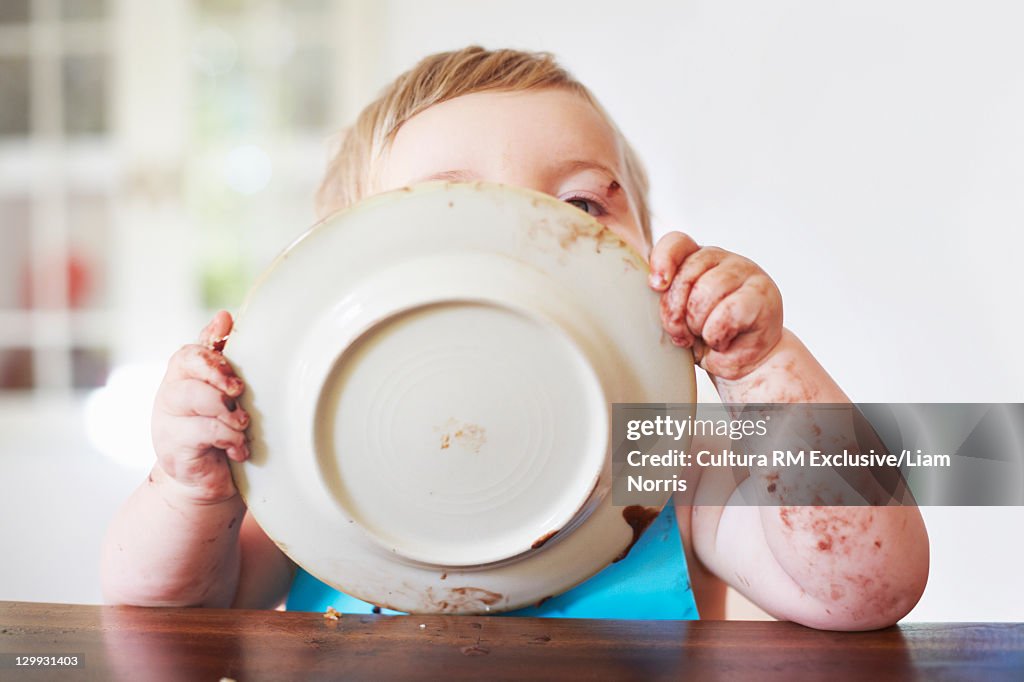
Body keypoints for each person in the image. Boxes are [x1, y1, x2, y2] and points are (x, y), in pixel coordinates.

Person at [101, 46, 928, 630]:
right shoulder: (304, 464)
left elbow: (866, 587)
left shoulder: (665, 454)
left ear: (645, 252)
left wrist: (762, 370)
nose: (521, 237)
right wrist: (191, 491)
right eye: (449, 208)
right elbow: (162, 616)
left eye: (580, 209)